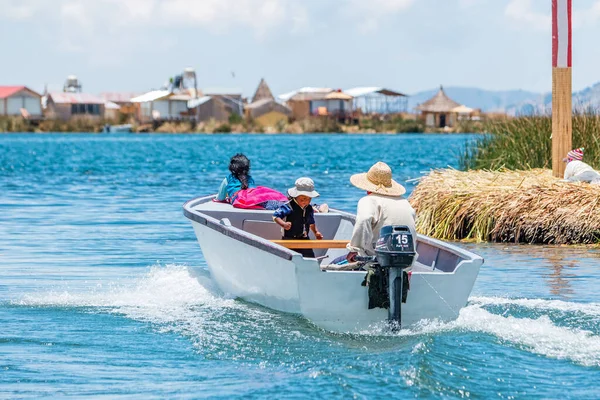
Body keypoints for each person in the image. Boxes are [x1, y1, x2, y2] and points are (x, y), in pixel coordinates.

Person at [338, 161, 417, 264]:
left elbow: (364, 220)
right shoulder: (405, 203)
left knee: (335, 262)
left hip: (374, 263)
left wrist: (355, 250)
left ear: (367, 187)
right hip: (406, 263)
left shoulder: (368, 200)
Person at [273, 177, 323, 258]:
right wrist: (283, 224)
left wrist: (316, 232)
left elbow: (311, 222)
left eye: (309, 199)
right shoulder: (288, 206)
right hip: (289, 239)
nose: (306, 201)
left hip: (304, 238)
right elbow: (275, 216)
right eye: (303, 199)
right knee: (290, 258)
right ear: (296, 196)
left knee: (309, 257)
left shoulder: (309, 208)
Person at [215, 154, 287, 209]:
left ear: (232, 167)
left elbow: (220, 198)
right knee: (262, 201)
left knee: (255, 202)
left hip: (239, 197)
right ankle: (281, 204)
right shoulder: (249, 178)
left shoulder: (228, 179)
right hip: (252, 194)